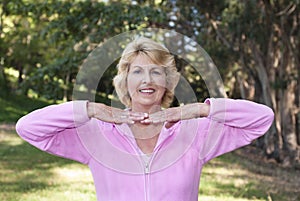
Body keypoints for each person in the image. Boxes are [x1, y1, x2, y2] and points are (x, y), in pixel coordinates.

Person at [16, 37, 274, 201]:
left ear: (168, 81)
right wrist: (91, 109)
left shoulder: (195, 133)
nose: (147, 80)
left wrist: (196, 110)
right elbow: (27, 128)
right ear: (125, 81)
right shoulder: (97, 133)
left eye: (156, 72)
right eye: (137, 71)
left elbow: (262, 118)